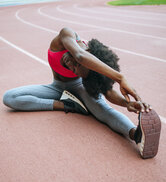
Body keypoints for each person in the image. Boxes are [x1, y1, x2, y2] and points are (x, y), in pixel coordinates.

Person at [3, 27, 161, 159]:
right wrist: (120, 78)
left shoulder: (87, 76)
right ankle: (67, 104)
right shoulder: (67, 35)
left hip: (79, 88)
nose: (70, 66)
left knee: (102, 110)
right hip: (56, 87)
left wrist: (128, 103)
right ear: (88, 53)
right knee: (10, 97)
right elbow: (79, 55)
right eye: (76, 64)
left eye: (75, 70)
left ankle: (136, 135)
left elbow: (107, 92)